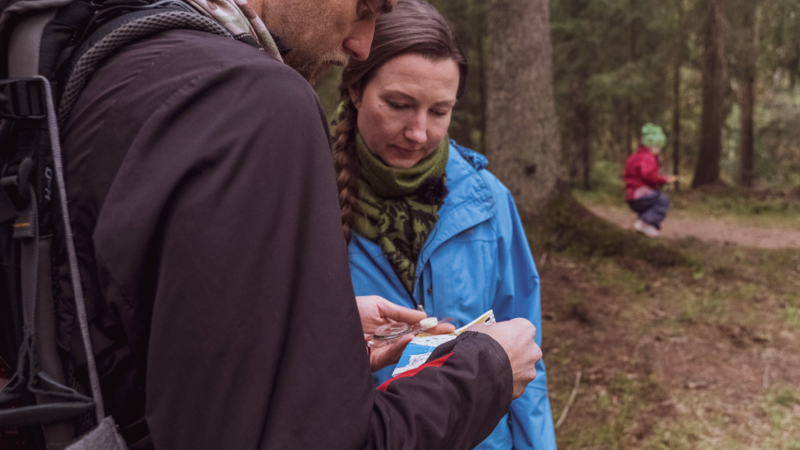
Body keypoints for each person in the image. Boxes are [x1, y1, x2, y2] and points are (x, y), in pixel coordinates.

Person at [52, 0, 545, 448]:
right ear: (356, 92)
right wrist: (486, 372)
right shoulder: (259, 119)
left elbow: (170, 337)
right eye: (364, 7)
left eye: (440, 111)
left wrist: (316, 329)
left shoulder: (120, 66)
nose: (361, 42)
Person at [331, 2, 556, 449]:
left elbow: (528, 354)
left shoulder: (487, 202)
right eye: (399, 104)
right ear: (356, 90)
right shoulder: (305, 196)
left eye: (439, 111)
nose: (418, 132)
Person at [623, 123, 677, 238]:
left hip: (631, 196)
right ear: (651, 145)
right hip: (641, 194)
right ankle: (646, 223)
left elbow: (629, 175)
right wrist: (664, 180)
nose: (659, 150)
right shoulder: (647, 158)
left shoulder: (634, 157)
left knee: (647, 208)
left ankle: (646, 230)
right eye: (658, 146)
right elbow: (648, 175)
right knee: (663, 200)